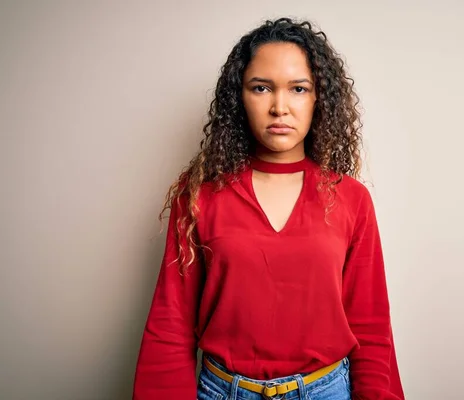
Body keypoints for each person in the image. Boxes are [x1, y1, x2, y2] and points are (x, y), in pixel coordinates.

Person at [133, 17, 405, 400]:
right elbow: (170, 324)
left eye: (298, 88)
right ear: (239, 97)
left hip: (326, 391)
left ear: (318, 99)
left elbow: (372, 327)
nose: (280, 107)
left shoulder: (350, 198)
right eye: (261, 88)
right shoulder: (199, 195)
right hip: (223, 391)